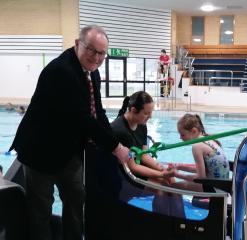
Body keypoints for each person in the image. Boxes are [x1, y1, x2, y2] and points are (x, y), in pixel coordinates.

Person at [9, 25, 130, 240]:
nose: (96, 57)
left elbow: (98, 112)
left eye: (102, 53)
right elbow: (83, 119)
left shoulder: (92, 72)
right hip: (39, 152)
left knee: (76, 200)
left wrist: (115, 141)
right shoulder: (61, 71)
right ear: (77, 44)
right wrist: (115, 147)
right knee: (41, 210)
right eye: (91, 50)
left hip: (67, 151)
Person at [111, 91, 174, 183]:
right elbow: (133, 167)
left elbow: (144, 155)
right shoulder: (120, 130)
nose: (150, 117)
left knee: (170, 179)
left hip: (138, 164)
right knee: (163, 184)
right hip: (125, 173)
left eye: (151, 112)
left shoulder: (141, 124)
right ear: (133, 110)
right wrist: (162, 174)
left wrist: (162, 169)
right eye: (146, 113)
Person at [172, 114, 230, 192]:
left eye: (182, 134)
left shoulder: (197, 146)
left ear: (194, 131)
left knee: (170, 187)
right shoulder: (208, 140)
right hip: (223, 186)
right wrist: (180, 167)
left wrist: (178, 175)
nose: (180, 138)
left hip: (214, 188)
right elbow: (205, 170)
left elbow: (200, 178)